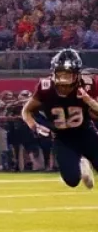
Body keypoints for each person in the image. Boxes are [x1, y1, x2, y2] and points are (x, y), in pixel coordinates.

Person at [21, 48, 98, 190]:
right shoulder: (45, 88)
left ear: (77, 74)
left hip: (86, 133)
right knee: (72, 180)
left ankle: (85, 159)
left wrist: (89, 101)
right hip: (62, 138)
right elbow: (26, 111)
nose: (64, 81)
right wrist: (34, 126)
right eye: (61, 74)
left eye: (68, 75)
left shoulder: (88, 85)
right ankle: (82, 164)